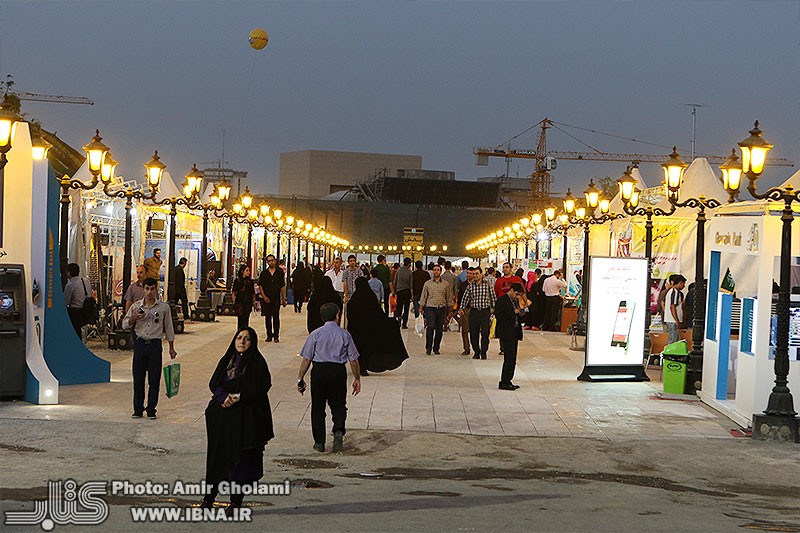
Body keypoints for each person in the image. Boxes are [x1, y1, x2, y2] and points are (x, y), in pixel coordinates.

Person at [202, 327, 274, 514]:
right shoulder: (227, 360)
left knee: (240, 462)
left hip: (245, 420)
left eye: (247, 339)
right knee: (218, 458)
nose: (242, 342)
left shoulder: (257, 363)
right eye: (239, 338)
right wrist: (222, 397)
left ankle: (235, 502)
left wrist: (240, 396)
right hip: (224, 419)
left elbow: (262, 386)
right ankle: (209, 499)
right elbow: (214, 383)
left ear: (253, 342)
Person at [297, 303, 362, 453]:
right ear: (337, 316)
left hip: (319, 372)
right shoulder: (344, 335)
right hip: (337, 372)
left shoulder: (315, 334)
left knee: (318, 407)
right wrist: (357, 378)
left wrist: (300, 378)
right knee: (339, 404)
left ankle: (319, 442)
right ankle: (338, 431)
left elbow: (306, 359)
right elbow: (353, 359)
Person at [122, 277, 177, 419]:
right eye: (147, 289)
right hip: (140, 344)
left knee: (154, 379)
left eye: (152, 289)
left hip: (155, 345)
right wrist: (135, 317)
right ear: (143, 289)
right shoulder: (136, 306)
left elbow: (169, 328)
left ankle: (151, 408)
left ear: (156, 289)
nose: (149, 292)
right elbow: (125, 324)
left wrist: (171, 347)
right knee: (138, 379)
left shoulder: (163, 307)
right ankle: (138, 409)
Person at [347, 277, 409, 377]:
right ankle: (364, 368)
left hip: (357, 331)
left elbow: (350, 315)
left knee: (358, 349)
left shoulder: (354, 299)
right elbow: (378, 312)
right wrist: (389, 322)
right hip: (370, 330)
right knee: (367, 348)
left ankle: (360, 367)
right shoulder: (371, 296)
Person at [459, 266, 496, 359]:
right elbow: (465, 298)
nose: (475, 276)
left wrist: (496, 310)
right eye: (474, 274)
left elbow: (493, 298)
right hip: (474, 312)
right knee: (473, 333)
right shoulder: (470, 286)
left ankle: (484, 352)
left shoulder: (487, 285)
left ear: (481, 274)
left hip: (485, 312)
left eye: (477, 274)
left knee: (485, 332)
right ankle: (476, 351)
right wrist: (461, 308)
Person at [495, 282, 525, 390]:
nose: (518, 297)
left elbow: (516, 314)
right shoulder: (502, 300)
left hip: (514, 332)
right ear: (511, 290)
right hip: (506, 332)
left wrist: (521, 313)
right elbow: (498, 315)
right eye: (517, 294)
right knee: (509, 357)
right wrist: (513, 312)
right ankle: (504, 381)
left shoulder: (515, 301)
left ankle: (508, 380)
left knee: (513, 358)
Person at [419, 264, 454, 355]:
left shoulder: (446, 284)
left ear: (440, 271)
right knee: (430, 327)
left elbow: (448, 297)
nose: (436, 271)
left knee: (439, 329)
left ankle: (436, 348)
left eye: (438, 270)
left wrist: (450, 310)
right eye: (434, 270)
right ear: (432, 271)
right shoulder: (428, 283)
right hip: (430, 307)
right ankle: (428, 347)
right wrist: (421, 307)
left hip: (441, 308)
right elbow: (424, 296)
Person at [257, 254, 287, 343]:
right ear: (267, 262)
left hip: (276, 298)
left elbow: (282, 286)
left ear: (275, 261)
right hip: (267, 298)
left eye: (272, 260)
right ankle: (269, 335)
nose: (271, 262)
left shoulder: (279, 272)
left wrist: (284, 298)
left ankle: (276, 335)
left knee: (276, 316)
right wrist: (264, 296)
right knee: (267, 317)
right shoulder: (264, 273)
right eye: (269, 261)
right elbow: (260, 286)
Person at [63, 263, 91, 337]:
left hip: (76, 312)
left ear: (69, 272)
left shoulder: (70, 285)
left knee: (76, 332)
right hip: (87, 310)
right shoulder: (86, 281)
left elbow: (65, 302)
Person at [455, 267, 473, 356]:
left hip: (474, 309)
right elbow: (460, 297)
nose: (469, 275)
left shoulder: (477, 285)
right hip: (465, 309)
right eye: (468, 273)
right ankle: (466, 348)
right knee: (465, 329)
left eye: (471, 273)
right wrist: (459, 308)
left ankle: (476, 347)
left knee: (474, 329)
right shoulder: (463, 285)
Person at [665, 274, 687, 344]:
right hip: (673, 321)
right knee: (673, 340)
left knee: (672, 339)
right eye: (683, 284)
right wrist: (677, 320)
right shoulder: (675, 292)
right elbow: (672, 307)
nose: (684, 286)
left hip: (671, 320)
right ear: (680, 283)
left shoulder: (671, 292)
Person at [232, 265, 255, 331]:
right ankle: (240, 331)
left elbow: (252, 292)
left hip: (248, 302)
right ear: (242, 271)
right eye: (247, 271)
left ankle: (245, 331)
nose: (248, 272)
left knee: (246, 318)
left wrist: (254, 301)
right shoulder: (237, 280)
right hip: (240, 302)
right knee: (240, 319)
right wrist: (234, 300)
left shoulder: (250, 281)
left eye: (249, 270)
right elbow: (234, 291)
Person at [393, 257, 414, 328]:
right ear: (409, 264)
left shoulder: (398, 271)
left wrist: (394, 291)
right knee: (406, 308)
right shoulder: (410, 272)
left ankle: (398, 322)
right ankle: (404, 324)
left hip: (399, 291)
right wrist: (412, 295)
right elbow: (411, 285)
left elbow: (395, 282)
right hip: (407, 292)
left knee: (399, 307)